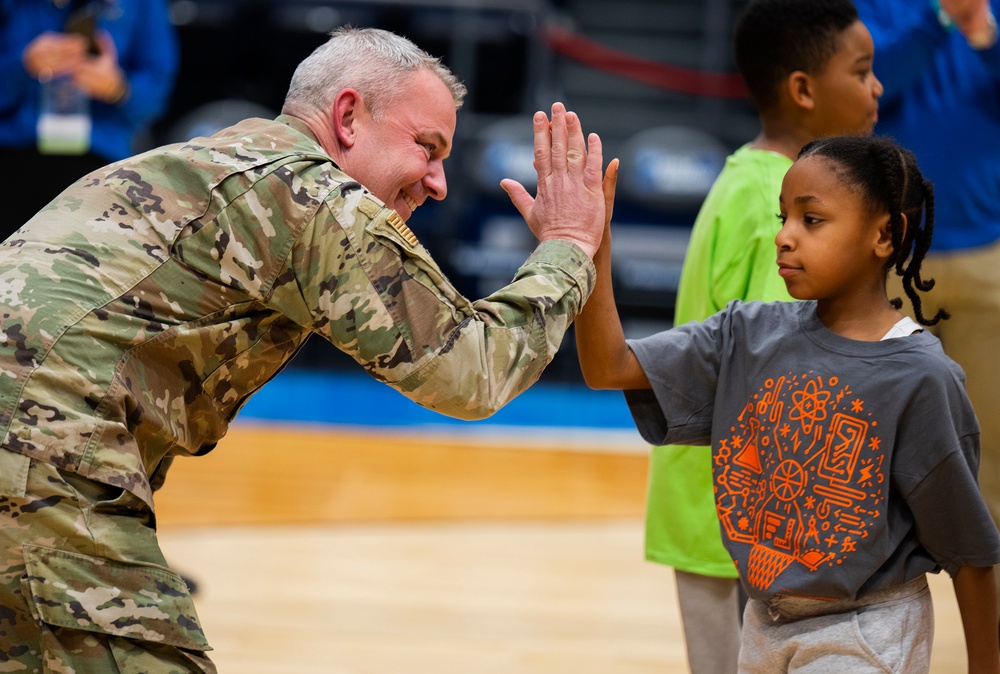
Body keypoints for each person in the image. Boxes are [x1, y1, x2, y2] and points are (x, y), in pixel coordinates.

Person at [0, 26, 607, 671]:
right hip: (36, 457)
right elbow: (471, 369)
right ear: (347, 116)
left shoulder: (197, 160)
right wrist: (569, 243)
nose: (439, 184)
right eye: (427, 148)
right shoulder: (314, 199)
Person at [578, 135, 1000, 672]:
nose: (784, 237)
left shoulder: (922, 376)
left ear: (884, 233)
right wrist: (591, 245)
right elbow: (607, 367)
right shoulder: (745, 335)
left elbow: (970, 554)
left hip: (868, 631)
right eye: (783, 218)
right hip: (764, 624)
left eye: (812, 220)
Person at [643, 2, 882, 671]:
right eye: (862, 71)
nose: (876, 89)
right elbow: (791, 377)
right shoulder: (774, 203)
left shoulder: (751, 181)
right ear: (803, 90)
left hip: (732, 519)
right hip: (737, 527)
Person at [852, 0, 1000, 614]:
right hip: (887, 253)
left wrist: (984, 35)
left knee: (992, 446)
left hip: (987, 253)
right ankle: (861, 612)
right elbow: (873, 85)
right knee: (869, 440)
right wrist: (939, 18)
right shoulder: (873, 8)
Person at [0, 0, 179, 239]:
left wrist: (117, 87)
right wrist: (23, 65)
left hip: (99, 164)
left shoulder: (142, 5)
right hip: (11, 155)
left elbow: (158, 96)